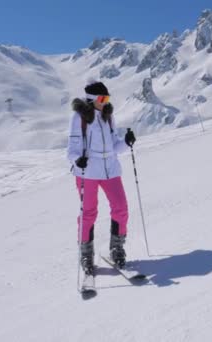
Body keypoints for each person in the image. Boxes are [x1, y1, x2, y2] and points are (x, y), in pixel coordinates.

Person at [66, 80, 137, 275]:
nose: (106, 102)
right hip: (87, 171)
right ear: (92, 99)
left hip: (111, 170)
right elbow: (72, 148)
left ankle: (117, 248)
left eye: (107, 98)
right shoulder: (79, 117)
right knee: (89, 212)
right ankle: (86, 254)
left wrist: (126, 142)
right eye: (102, 98)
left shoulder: (108, 115)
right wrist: (77, 159)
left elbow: (114, 145)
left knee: (121, 209)